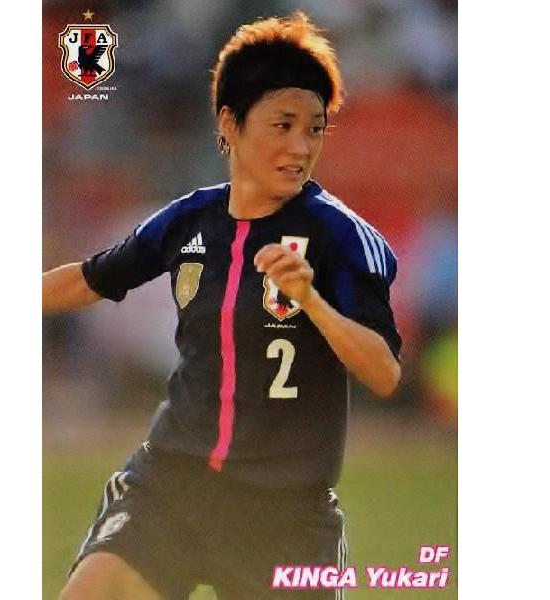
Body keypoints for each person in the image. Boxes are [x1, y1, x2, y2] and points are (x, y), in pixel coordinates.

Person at [44, 11, 401, 600]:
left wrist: (311, 300)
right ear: (230, 123)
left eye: (314, 129)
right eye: (283, 125)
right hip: (172, 485)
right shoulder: (188, 220)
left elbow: (384, 373)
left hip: (285, 513)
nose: (300, 147)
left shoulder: (341, 237)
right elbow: (90, 279)